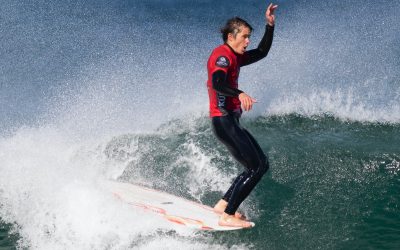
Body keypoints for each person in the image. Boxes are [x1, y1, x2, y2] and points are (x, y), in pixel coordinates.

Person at [206, 3, 278, 228]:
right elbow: (217, 82)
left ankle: (223, 204)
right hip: (223, 121)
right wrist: (240, 93)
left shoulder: (235, 56)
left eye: (249, 37)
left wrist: (270, 26)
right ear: (231, 36)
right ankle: (227, 214)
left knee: (259, 165)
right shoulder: (222, 56)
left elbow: (262, 52)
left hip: (229, 121)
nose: (248, 42)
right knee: (257, 167)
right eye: (245, 37)